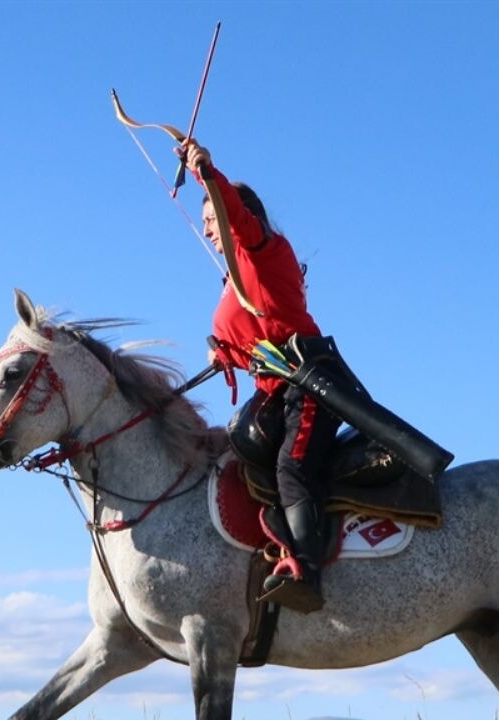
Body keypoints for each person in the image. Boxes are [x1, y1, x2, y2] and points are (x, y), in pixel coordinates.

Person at [180, 139, 340, 613]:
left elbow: (234, 219)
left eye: (213, 221)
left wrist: (204, 173)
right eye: (207, 222)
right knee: (234, 451)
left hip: (309, 382)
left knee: (292, 467)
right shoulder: (236, 278)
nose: (209, 230)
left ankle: (306, 571)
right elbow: (255, 330)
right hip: (273, 390)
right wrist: (223, 351)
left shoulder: (264, 252)